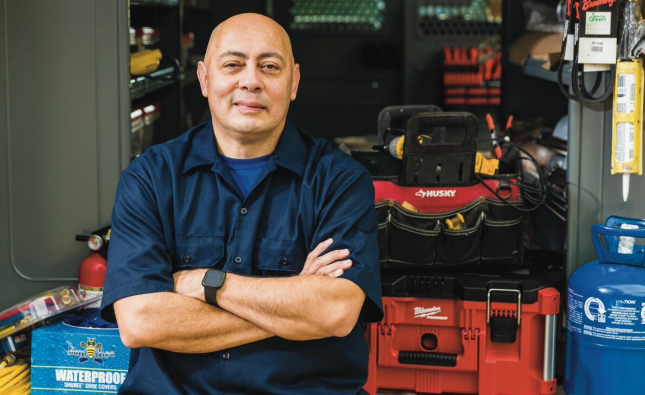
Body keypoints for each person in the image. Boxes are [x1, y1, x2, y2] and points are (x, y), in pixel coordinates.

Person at [100, 13, 382, 395]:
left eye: (269, 66)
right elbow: (140, 323)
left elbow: (334, 312)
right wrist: (296, 306)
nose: (251, 81)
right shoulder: (149, 178)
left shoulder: (340, 181)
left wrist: (205, 283)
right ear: (204, 78)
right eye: (232, 64)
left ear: (293, 81)